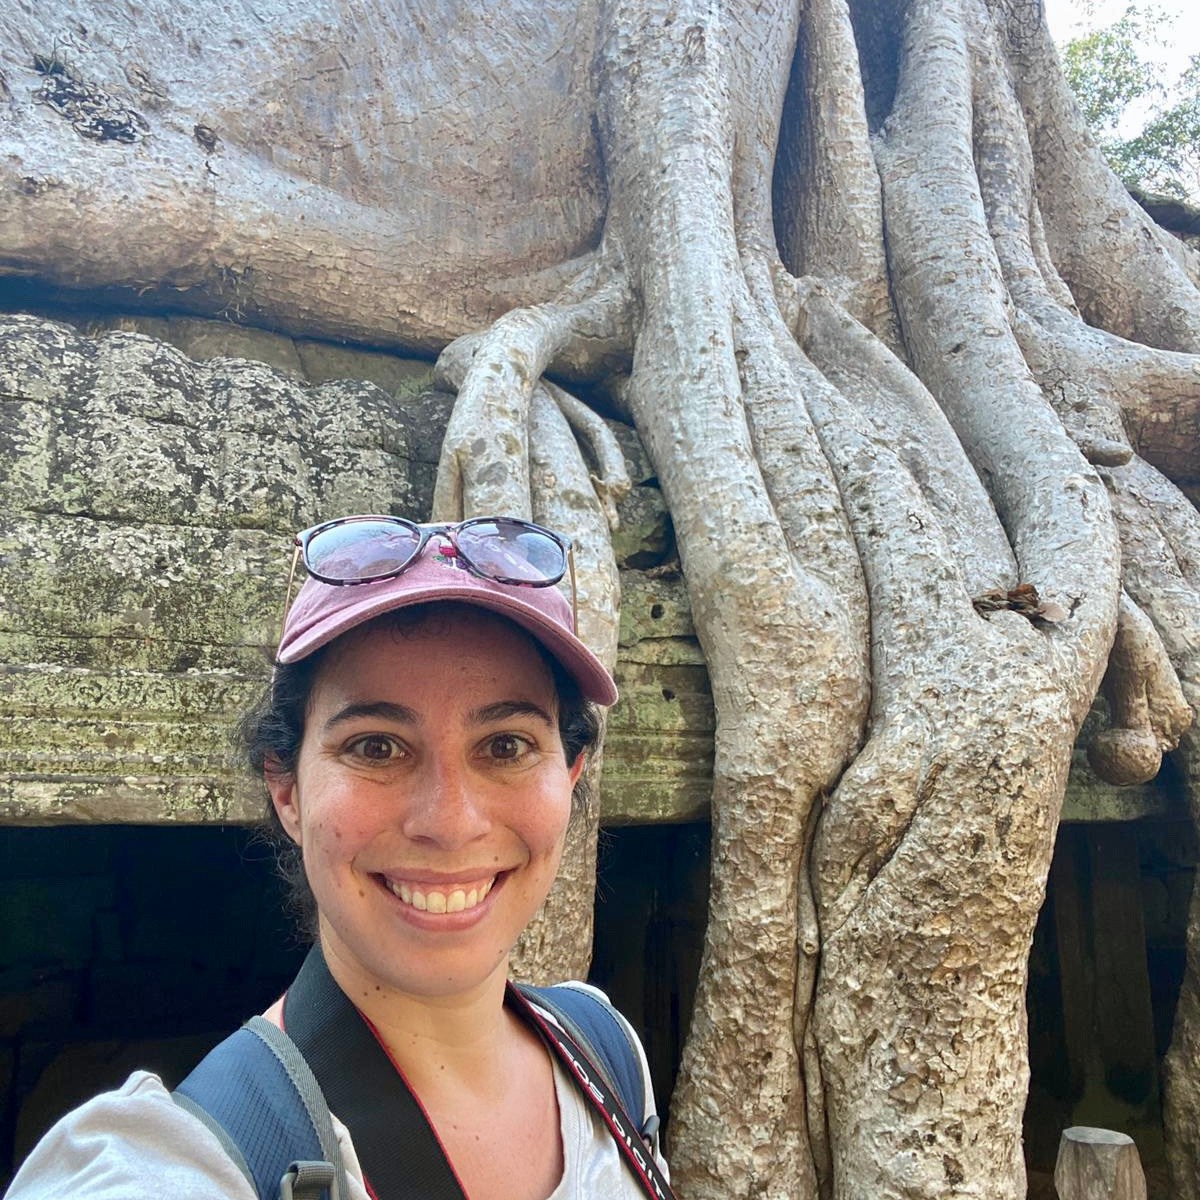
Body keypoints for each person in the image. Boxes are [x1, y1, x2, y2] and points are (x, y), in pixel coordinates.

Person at [7, 515, 671, 1200]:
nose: (449, 822)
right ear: (287, 789)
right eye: (376, 747)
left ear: (571, 771)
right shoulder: (169, 1164)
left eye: (506, 746)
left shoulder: (604, 1055)